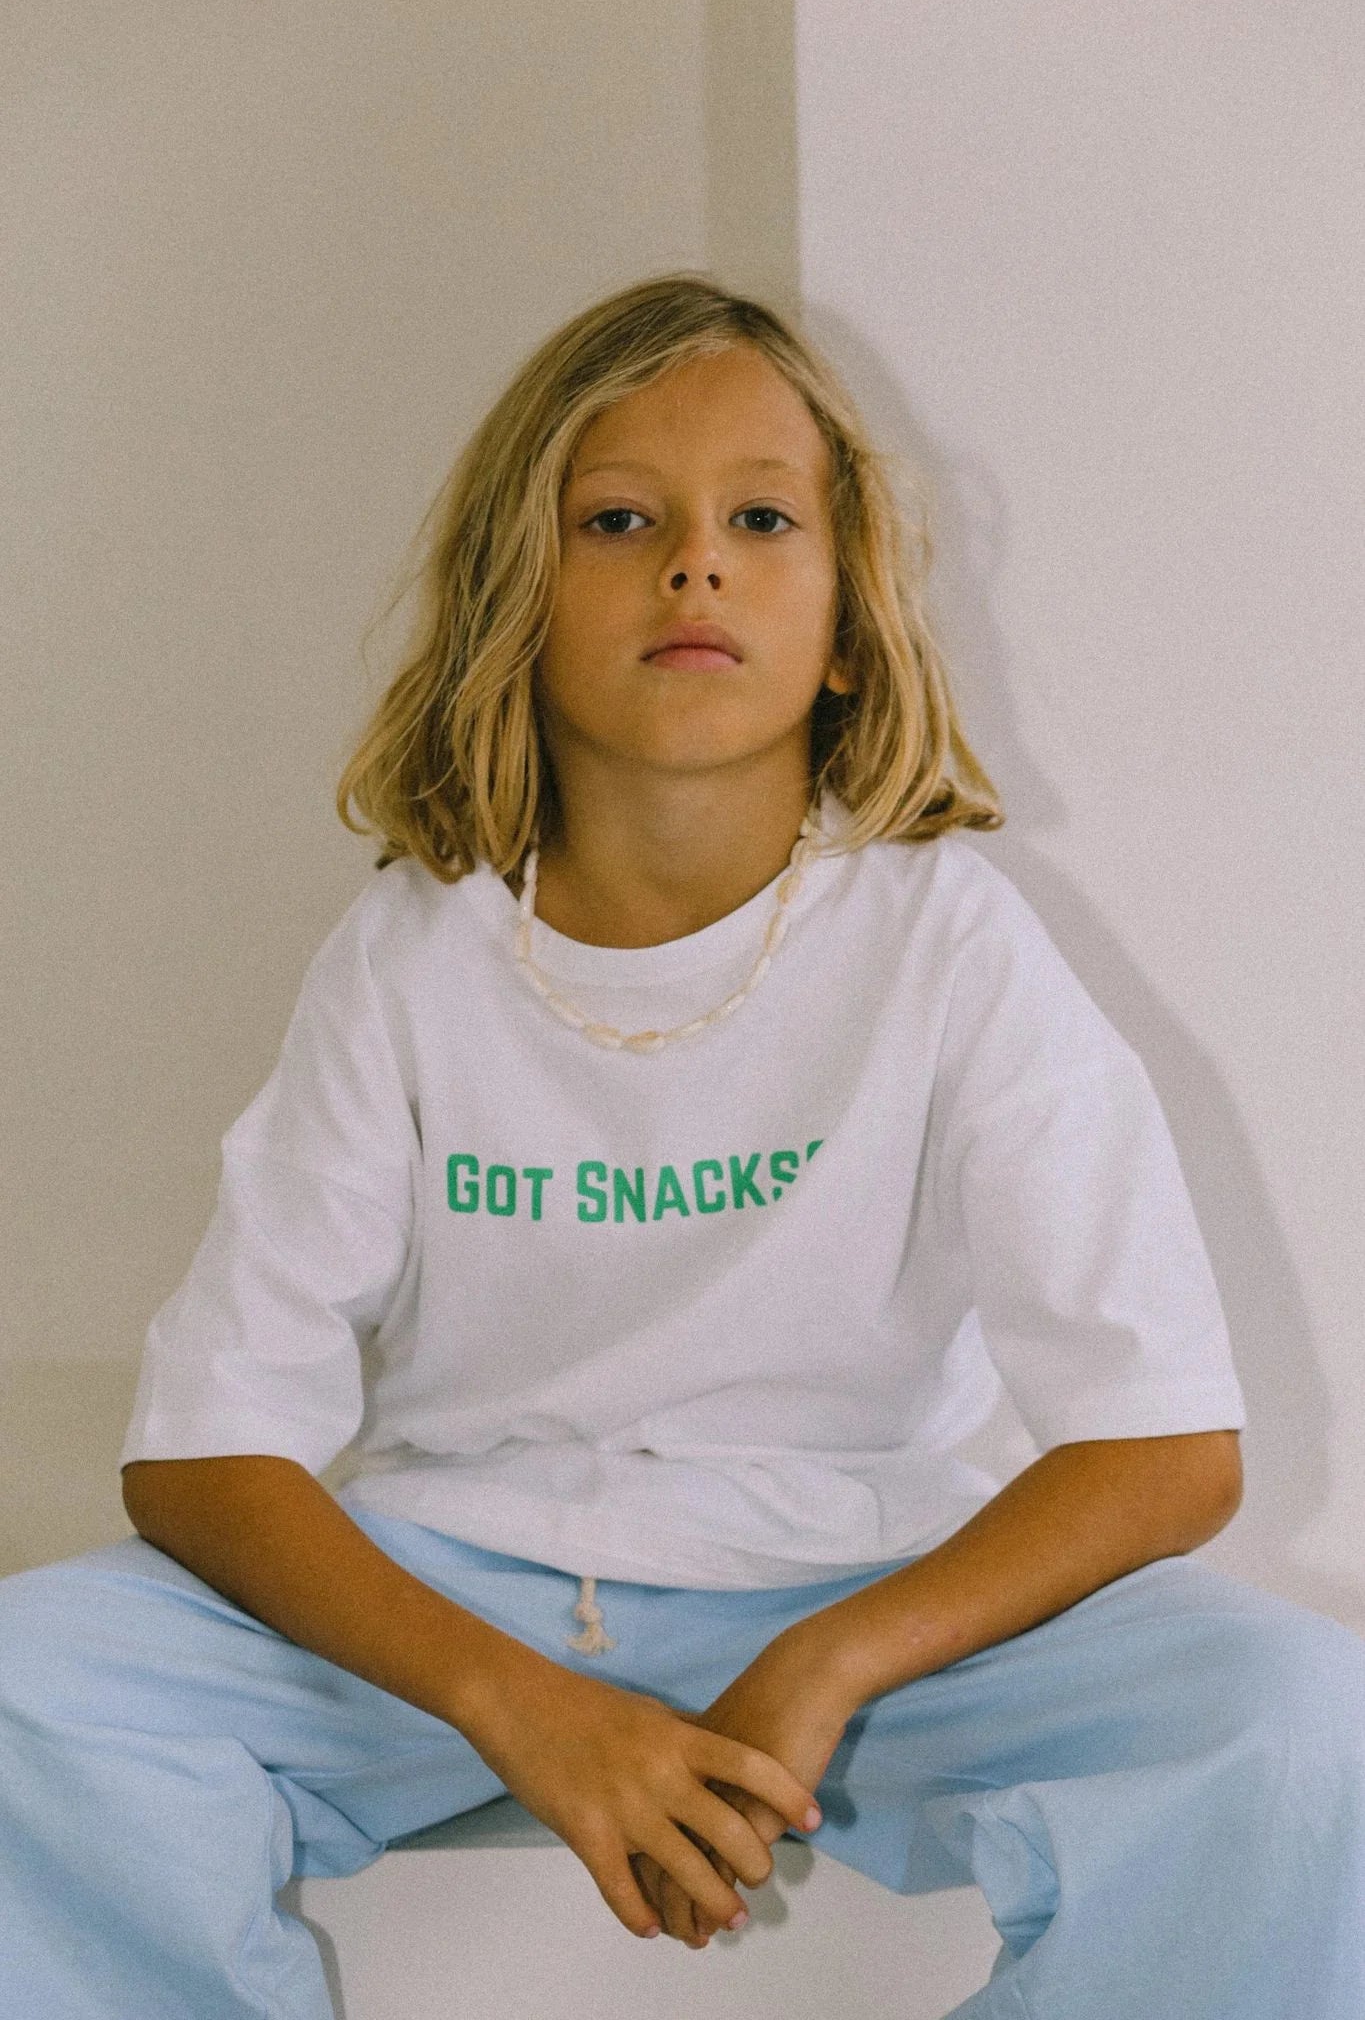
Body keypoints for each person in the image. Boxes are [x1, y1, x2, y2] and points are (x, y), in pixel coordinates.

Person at [2, 272, 1361, 2020]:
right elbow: (202, 1460)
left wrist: (829, 1658)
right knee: (27, 1689)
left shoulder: (946, 940)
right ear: (520, 599)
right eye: (621, 518)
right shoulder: (411, 954)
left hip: (869, 1583)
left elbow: (1164, 1453)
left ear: (847, 621)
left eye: (760, 519)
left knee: (1301, 1730)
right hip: (472, 1593)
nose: (694, 563)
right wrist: (523, 1707)